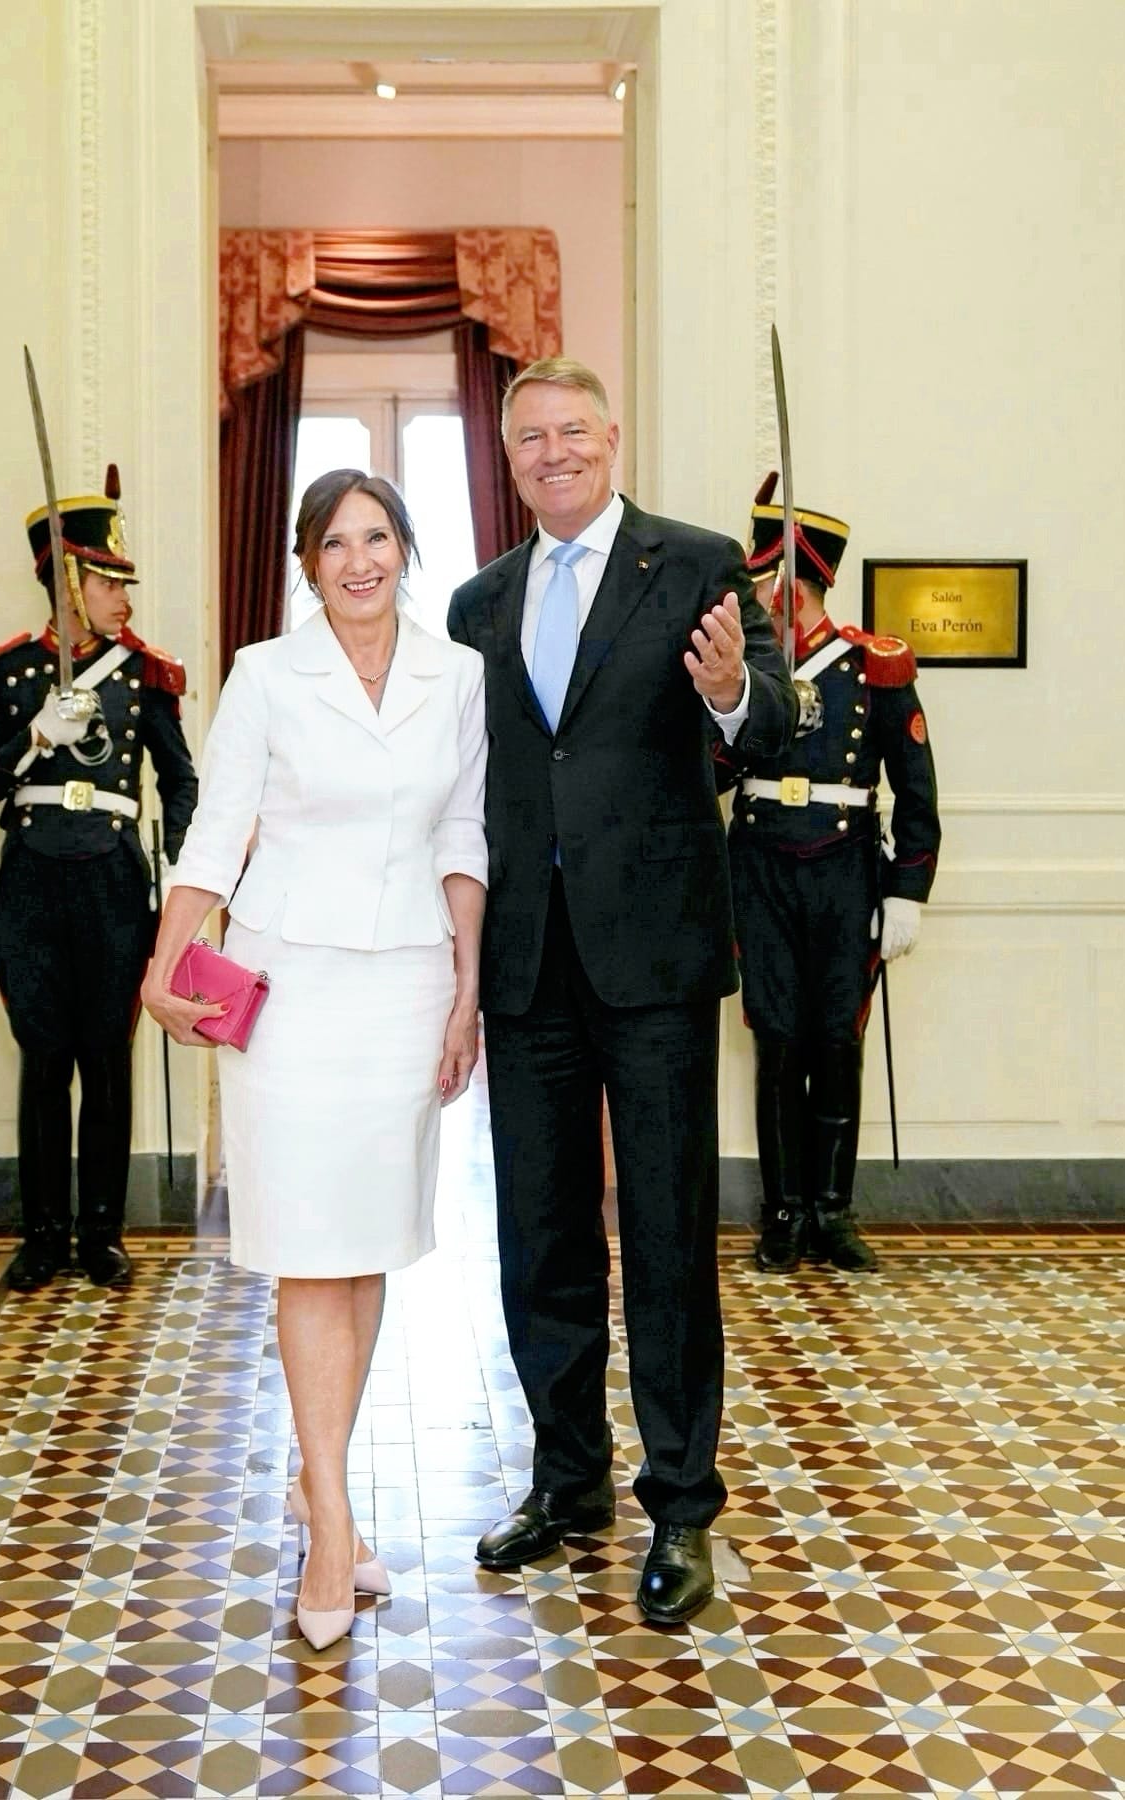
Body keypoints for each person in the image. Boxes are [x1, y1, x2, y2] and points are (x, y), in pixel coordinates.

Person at [446, 357, 797, 1626]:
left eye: (571, 431)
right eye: (529, 437)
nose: (552, 452)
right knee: (538, 1237)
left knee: (664, 1235)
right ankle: (567, 1482)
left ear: (612, 437)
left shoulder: (697, 567)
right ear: (508, 456)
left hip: (654, 959)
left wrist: (730, 692)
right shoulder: (477, 604)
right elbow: (462, 780)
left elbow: (771, 726)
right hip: (525, 964)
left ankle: (683, 1506)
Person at [140, 470, 488, 1651]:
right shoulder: (265, 674)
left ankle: (314, 1472)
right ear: (306, 563)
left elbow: (463, 834)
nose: (359, 561)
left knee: (366, 1243)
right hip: (287, 987)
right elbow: (217, 827)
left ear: (406, 549)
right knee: (307, 1249)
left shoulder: (457, 676)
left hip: (408, 983)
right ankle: (333, 1519)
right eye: (335, 543)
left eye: (377, 537)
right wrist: (164, 963)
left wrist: (468, 993)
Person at [0, 468, 197, 1292]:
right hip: (32, 886)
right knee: (43, 1062)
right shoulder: (9, 672)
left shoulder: (142, 675)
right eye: (109, 581)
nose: (124, 598)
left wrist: (183, 864)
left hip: (114, 887)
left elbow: (181, 780)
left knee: (107, 1061)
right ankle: (42, 1237)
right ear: (68, 582)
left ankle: (101, 1234)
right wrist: (32, 738)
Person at [717, 475, 940, 1274]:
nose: (752, 600)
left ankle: (832, 1212)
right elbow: (710, 771)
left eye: (761, 585)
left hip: (846, 872)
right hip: (761, 868)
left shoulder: (874, 664)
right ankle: (782, 1212)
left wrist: (907, 891)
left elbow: (916, 789)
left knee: (837, 1041)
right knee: (778, 1043)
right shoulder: (745, 669)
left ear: (791, 585)